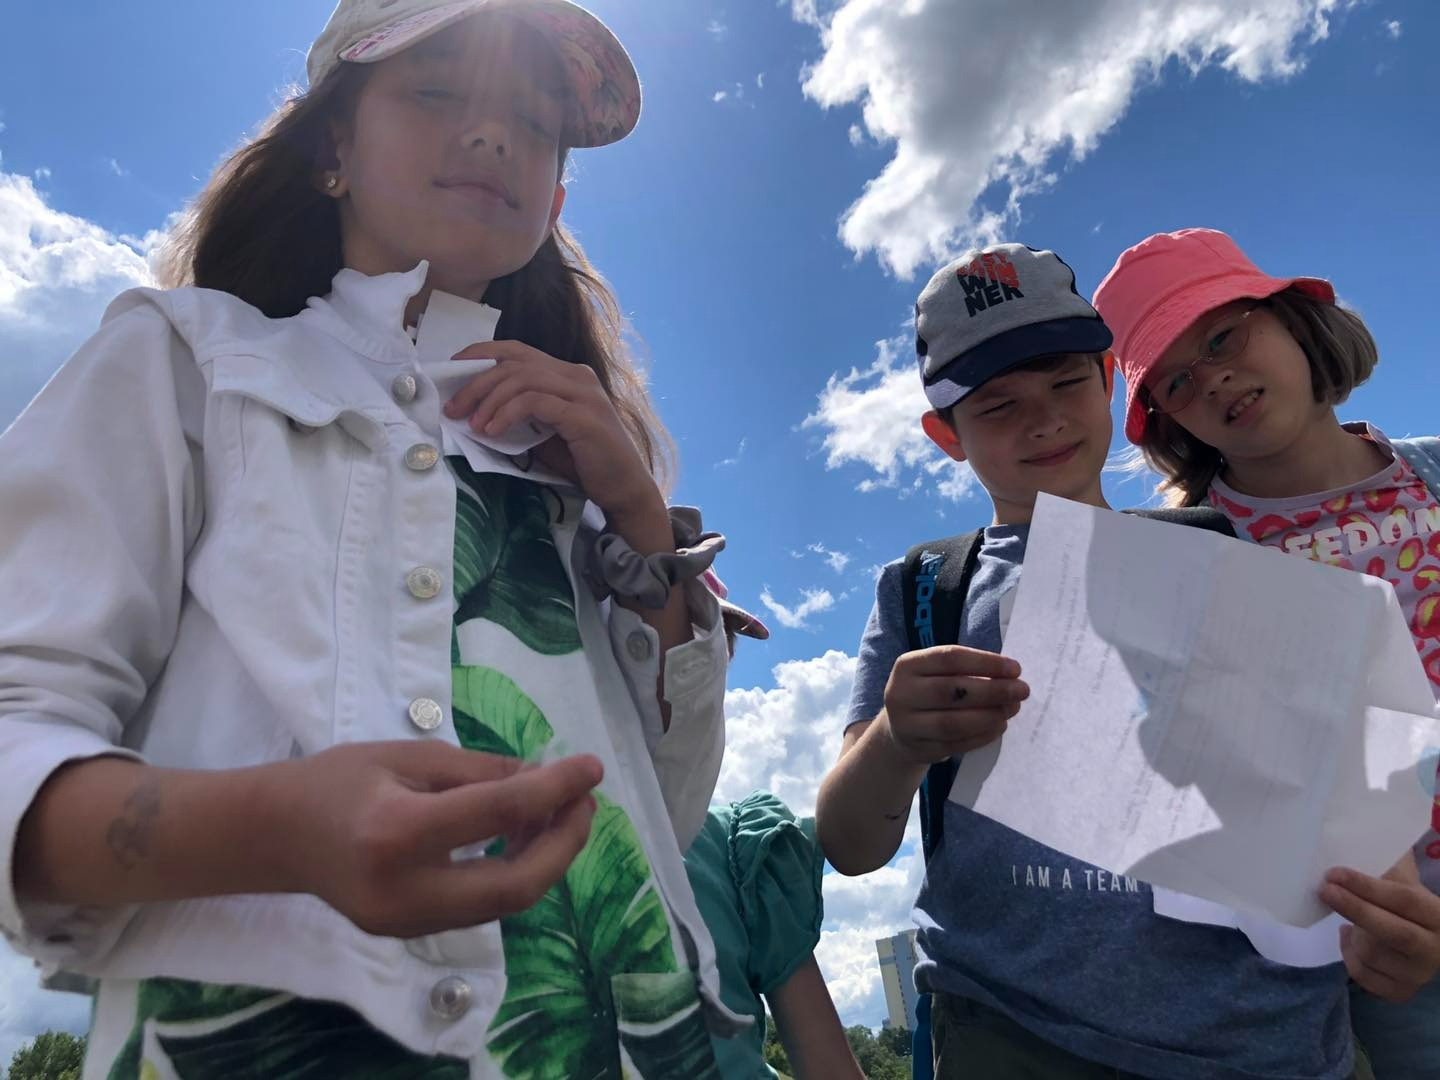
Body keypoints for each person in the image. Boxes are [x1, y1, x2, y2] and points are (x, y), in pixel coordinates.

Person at [0, 2, 740, 1076]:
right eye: (436, 92)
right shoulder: (180, 364)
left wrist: (641, 535)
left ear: (557, 196)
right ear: (331, 144)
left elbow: (665, 821)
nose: (494, 138)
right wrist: (270, 830)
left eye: (536, 126)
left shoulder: (581, 462)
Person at [817, 242, 1377, 1079]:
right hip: (1016, 1033)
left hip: (1272, 1039)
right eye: (998, 405)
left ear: (1110, 380)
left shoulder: (1237, 552)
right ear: (946, 436)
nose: (1042, 419)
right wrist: (898, 738)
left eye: (1066, 384)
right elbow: (851, 844)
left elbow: (1338, 791)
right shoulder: (923, 588)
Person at [1095, 225, 1440, 1080]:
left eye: (1224, 334)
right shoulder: (1187, 562)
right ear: (1167, 418)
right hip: (1389, 952)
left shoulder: (1434, 475)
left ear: (1296, 321)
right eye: (1176, 379)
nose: (1212, 376)